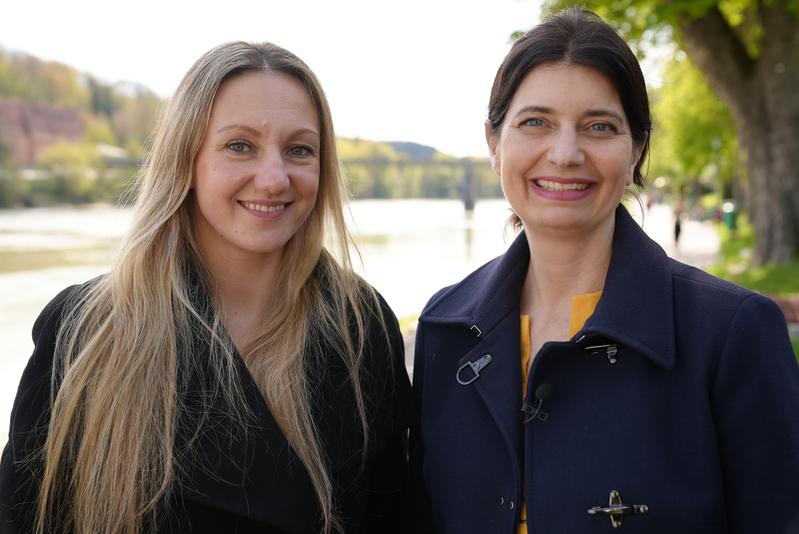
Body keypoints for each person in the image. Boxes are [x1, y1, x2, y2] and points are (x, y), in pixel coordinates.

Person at [408, 8, 799, 534]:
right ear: (494, 142)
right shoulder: (444, 328)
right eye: (535, 123)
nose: (565, 153)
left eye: (599, 126)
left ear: (636, 148)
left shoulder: (731, 332)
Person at [0, 42, 414, 534]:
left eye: (300, 150)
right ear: (186, 161)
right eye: (240, 146)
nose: (274, 177)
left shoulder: (360, 327)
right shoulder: (87, 330)